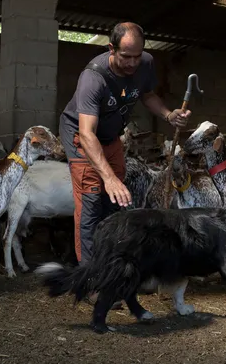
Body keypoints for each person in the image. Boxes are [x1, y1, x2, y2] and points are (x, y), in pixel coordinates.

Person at [59, 22, 191, 269]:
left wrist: (168, 115)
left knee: (115, 201)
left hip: (111, 136)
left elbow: (147, 94)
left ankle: (112, 263)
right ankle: (90, 275)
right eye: (125, 57)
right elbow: (87, 134)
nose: (132, 63)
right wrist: (107, 178)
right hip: (82, 137)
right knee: (91, 200)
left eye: (137, 57)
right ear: (111, 49)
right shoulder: (93, 78)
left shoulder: (146, 63)